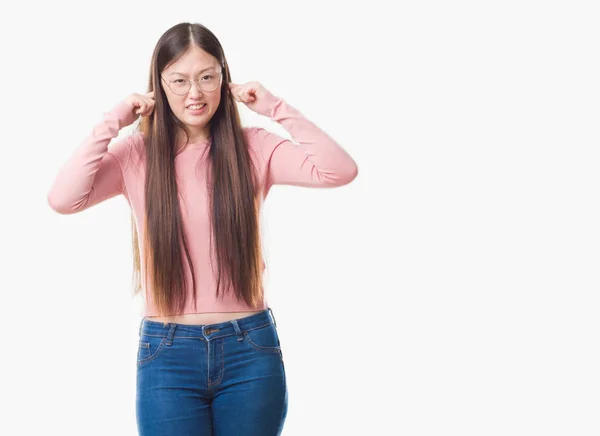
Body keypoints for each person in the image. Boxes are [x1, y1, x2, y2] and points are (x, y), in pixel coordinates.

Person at [47, 21, 358, 436]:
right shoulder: (135, 155)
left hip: (250, 350)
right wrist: (114, 120)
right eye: (179, 80)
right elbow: (63, 198)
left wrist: (275, 106)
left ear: (224, 78)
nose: (194, 93)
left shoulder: (255, 148)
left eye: (207, 77)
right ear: (158, 86)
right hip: (167, 353)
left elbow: (339, 170)